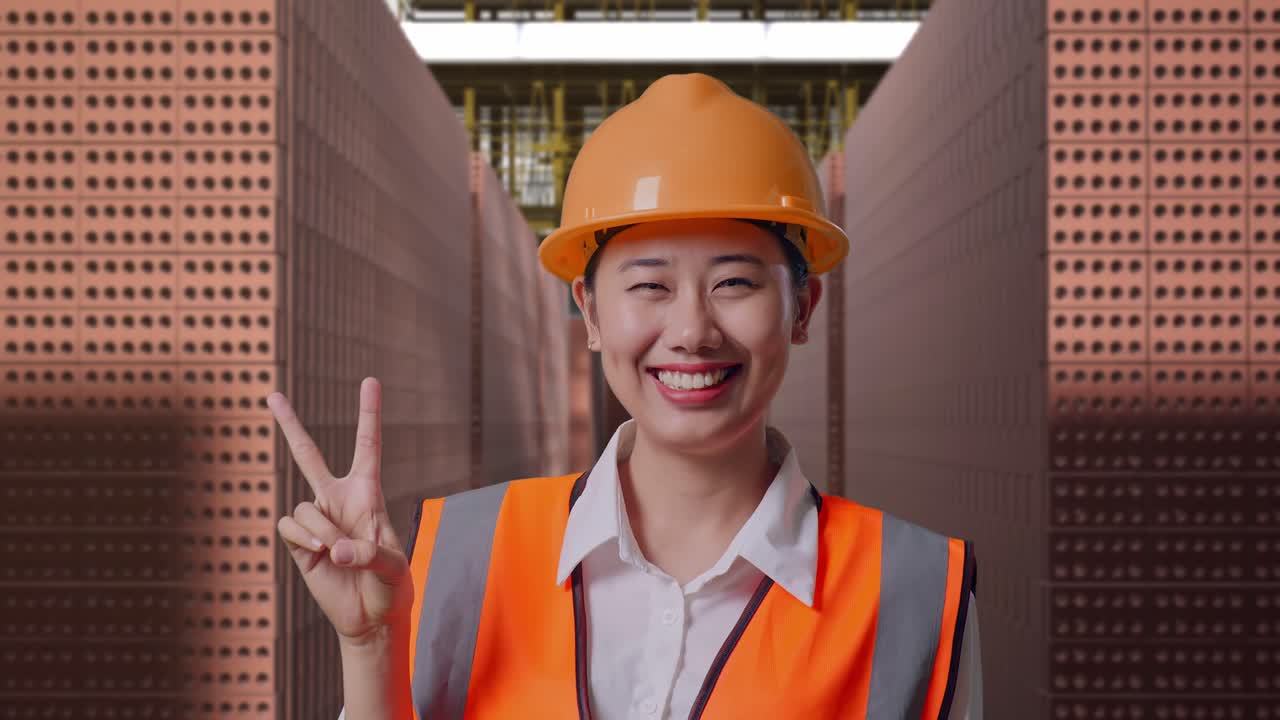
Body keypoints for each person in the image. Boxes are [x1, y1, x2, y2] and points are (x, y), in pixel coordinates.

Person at [268, 72, 982, 720]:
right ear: (592, 312)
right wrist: (370, 651)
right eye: (650, 286)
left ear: (802, 307)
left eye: (735, 282)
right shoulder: (457, 556)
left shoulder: (916, 589)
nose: (693, 331)